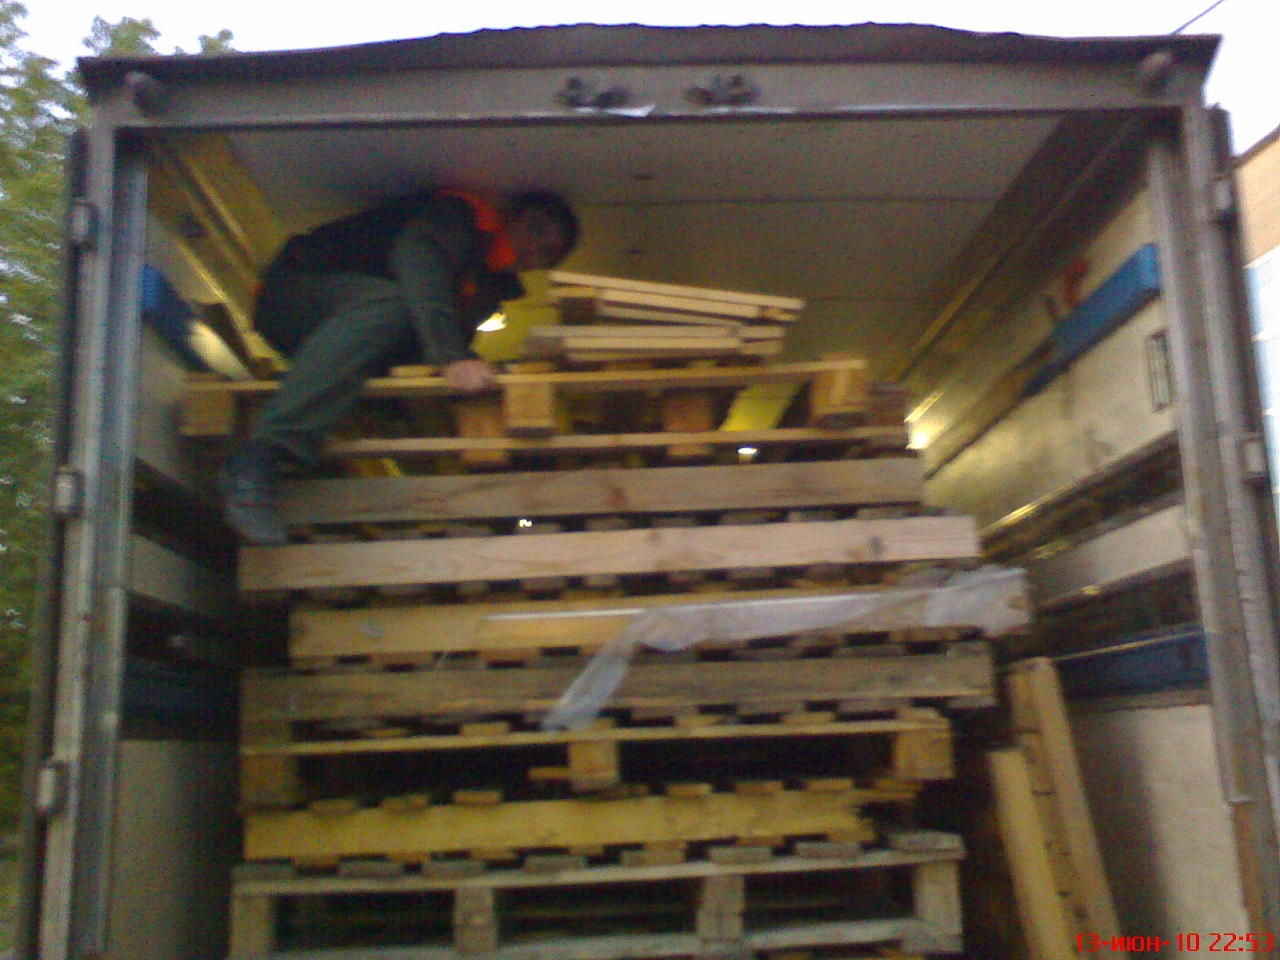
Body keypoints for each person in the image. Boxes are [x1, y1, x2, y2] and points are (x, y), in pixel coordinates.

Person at [218, 188, 580, 544]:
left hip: (346, 333)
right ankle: (258, 461)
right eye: (535, 229)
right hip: (293, 291)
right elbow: (418, 257)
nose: (534, 248)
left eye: (547, 253)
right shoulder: (464, 216)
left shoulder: (486, 288)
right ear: (509, 215)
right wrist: (451, 356)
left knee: (430, 359)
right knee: (389, 305)